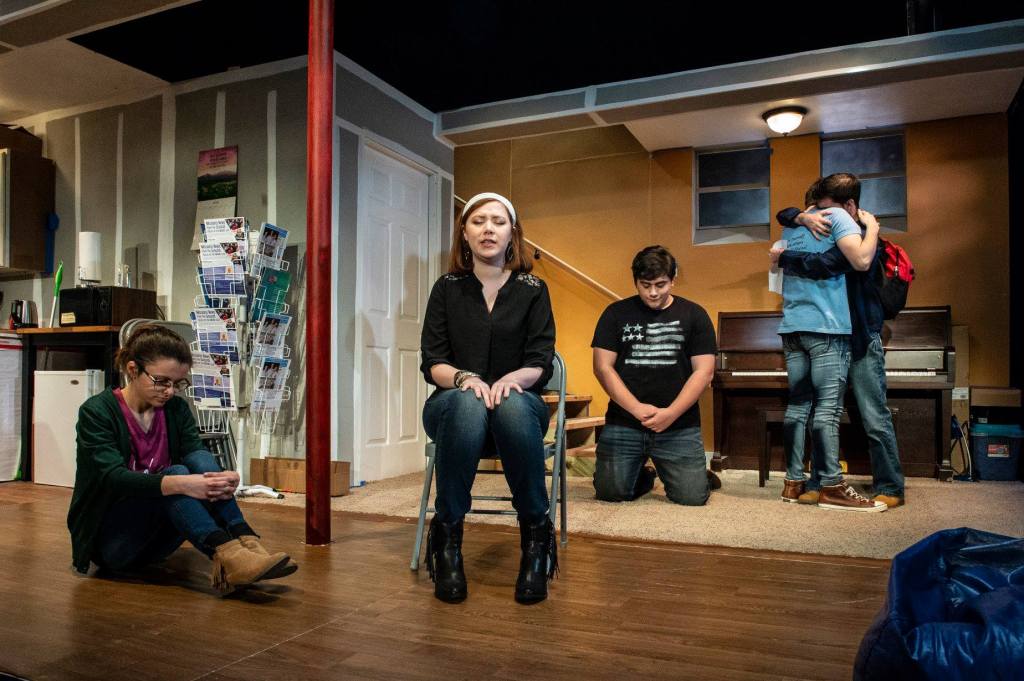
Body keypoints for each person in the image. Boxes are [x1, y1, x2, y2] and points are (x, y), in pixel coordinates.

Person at [68, 325, 298, 591]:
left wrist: (222, 477)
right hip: (113, 544)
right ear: (132, 370)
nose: (170, 391)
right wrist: (184, 484)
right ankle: (229, 554)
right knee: (176, 475)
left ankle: (245, 541)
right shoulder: (97, 412)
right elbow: (113, 478)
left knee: (199, 461)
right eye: (162, 381)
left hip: (158, 539)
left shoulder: (175, 409)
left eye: (177, 384)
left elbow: (196, 456)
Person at [420, 192, 557, 605]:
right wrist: (465, 379)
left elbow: (540, 360)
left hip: (519, 409)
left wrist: (512, 379)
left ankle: (535, 542)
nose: (488, 229)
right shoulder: (447, 288)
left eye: (498, 221)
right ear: (464, 233)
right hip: (453, 408)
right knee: (467, 401)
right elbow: (433, 361)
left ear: (512, 233)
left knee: (512, 403)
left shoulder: (534, 289)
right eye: (478, 221)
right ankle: (448, 544)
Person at [771, 183, 905, 509]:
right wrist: (799, 217)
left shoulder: (864, 240)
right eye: (817, 211)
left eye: (826, 209)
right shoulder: (820, 229)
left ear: (850, 207)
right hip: (829, 335)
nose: (822, 216)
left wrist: (786, 257)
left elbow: (828, 264)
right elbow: (785, 215)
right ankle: (819, 482)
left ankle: (890, 486)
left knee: (873, 416)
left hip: (860, 336)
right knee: (823, 411)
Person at [590, 246, 718, 506]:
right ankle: (646, 475)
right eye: (645, 285)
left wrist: (670, 413)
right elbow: (602, 367)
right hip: (625, 422)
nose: (653, 293)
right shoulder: (615, 313)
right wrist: (636, 409)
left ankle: (696, 475)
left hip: (679, 424)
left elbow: (704, 372)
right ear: (635, 281)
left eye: (661, 284)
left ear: (673, 279)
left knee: (691, 497)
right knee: (610, 492)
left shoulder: (695, 314)